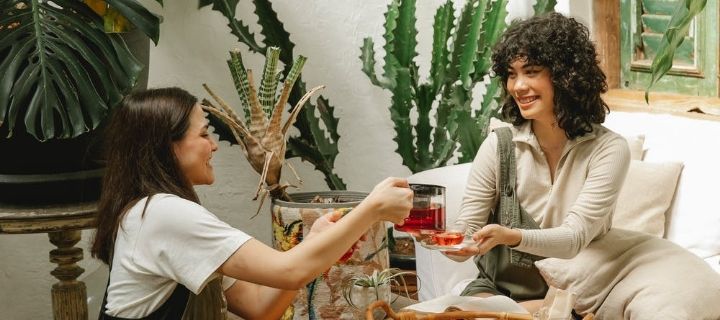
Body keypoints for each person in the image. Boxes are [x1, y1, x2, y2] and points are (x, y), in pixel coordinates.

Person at [90, 87, 413, 319]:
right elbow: (290, 271)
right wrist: (371, 209)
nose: (213, 146)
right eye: (204, 135)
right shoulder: (164, 213)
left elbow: (259, 307)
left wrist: (312, 238)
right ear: (168, 145)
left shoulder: (153, 211)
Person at [444, 12, 630, 312]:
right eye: (511, 73)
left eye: (530, 71)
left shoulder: (608, 150)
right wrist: (448, 242)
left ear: (566, 75)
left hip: (570, 295)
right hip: (495, 292)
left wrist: (510, 236)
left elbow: (574, 238)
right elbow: (467, 229)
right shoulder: (499, 146)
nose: (517, 86)